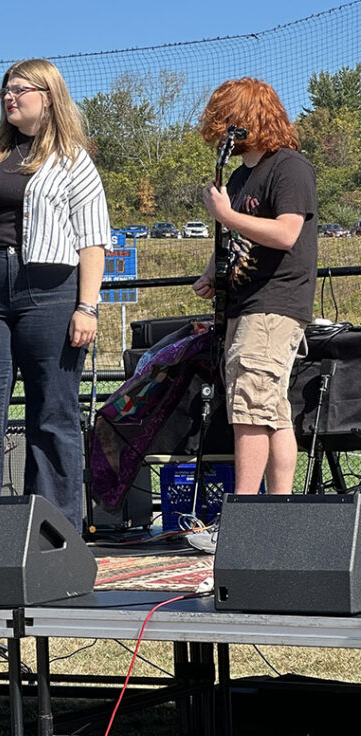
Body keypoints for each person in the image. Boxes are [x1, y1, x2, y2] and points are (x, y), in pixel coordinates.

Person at [0, 58, 110, 533]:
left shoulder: (74, 160)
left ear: (48, 95)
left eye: (20, 89)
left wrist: (87, 306)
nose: (9, 97)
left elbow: (92, 238)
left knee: (52, 415)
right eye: (5, 90)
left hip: (51, 288)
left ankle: (54, 538)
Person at [191, 78, 317, 501]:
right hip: (246, 305)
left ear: (247, 119)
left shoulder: (289, 166)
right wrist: (212, 272)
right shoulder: (243, 173)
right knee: (272, 413)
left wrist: (226, 214)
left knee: (249, 411)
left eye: (226, 118)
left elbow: (285, 233)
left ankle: (243, 514)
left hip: (273, 305)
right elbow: (238, 236)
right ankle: (277, 515)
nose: (219, 128)